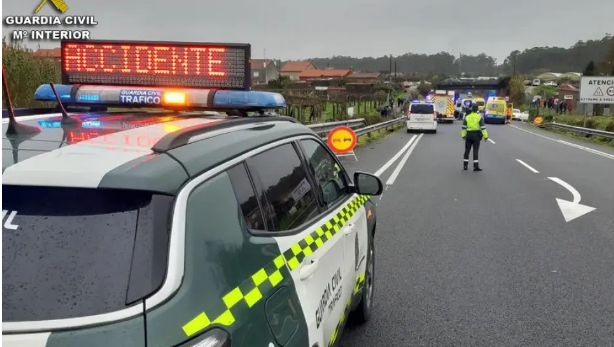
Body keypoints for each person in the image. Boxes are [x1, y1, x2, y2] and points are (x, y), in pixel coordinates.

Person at [461, 104, 489, 171]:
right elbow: (483, 128)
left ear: (471, 109)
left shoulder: (467, 117)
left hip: (468, 135)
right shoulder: (479, 117)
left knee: (467, 150)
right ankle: (475, 167)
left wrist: (463, 135)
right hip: (476, 136)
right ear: (477, 110)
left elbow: (464, 127)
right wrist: (486, 136)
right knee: (475, 151)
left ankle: (465, 165)